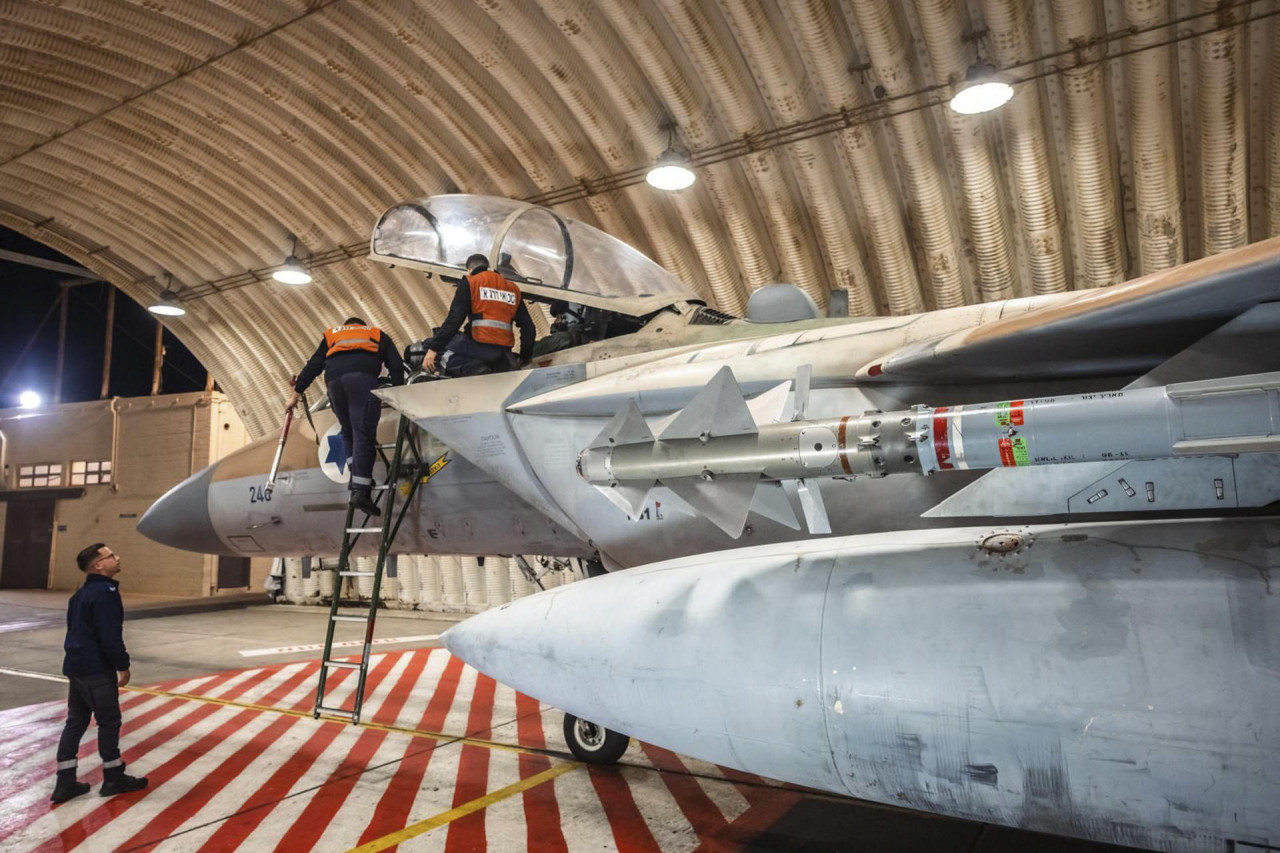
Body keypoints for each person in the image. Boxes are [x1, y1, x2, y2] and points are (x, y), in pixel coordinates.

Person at [52, 544, 148, 803]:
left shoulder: (80, 594)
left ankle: (65, 782)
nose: (118, 558)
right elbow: (110, 636)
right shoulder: (104, 593)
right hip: (96, 668)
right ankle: (113, 777)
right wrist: (122, 665)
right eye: (111, 556)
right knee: (109, 721)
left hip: (76, 666)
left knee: (76, 721)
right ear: (98, 565)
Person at [287, 317, 405, 516]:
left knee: (348, 432)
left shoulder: (332, 335)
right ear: (362, 325)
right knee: (363, 435)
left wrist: (295, 395)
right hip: (361, 381)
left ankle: (356, 481)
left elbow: (313, 366)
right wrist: (399, 392)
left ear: (347, 325)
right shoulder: (376, 334)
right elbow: (396, 364)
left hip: (334, 385)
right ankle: (361, 492)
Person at [423, 253, 535, 377]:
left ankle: (471, 369)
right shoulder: (512, 288)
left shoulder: (471, 282)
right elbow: (528, 327)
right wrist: (524, 357)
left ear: (469, 270)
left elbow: (454, 320)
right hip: (504, 354)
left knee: (439, 347)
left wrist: (433, 349)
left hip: (479, 348)